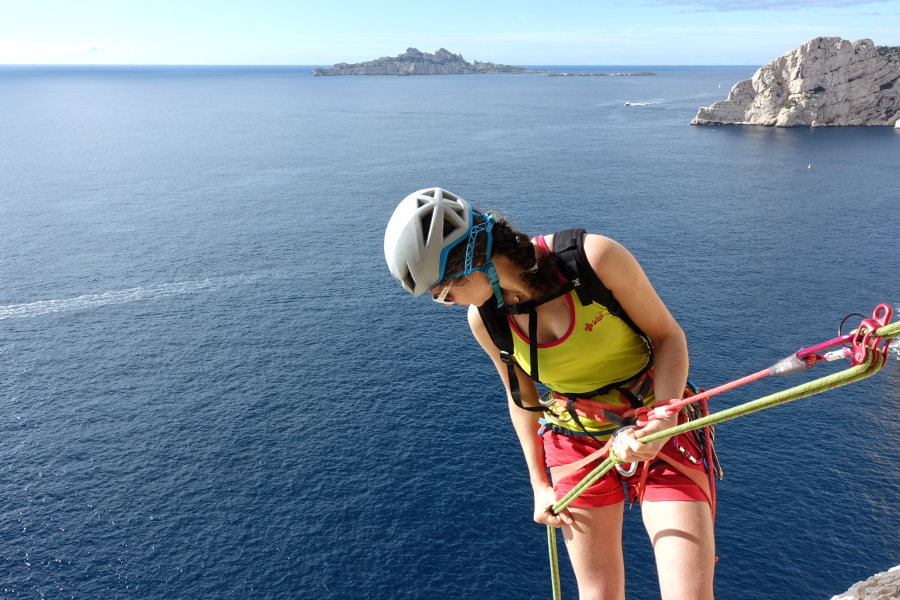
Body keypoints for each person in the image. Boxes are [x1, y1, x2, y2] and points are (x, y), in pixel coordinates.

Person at [384, 188, 715, 600]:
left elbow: (668, 337)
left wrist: (663, 420)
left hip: (658, 417)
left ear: (466, 267)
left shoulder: (593, 259)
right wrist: (539, 485)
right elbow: (521, 399)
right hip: (575, 439)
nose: (449, 304)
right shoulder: (485, 320)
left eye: (443, 294)